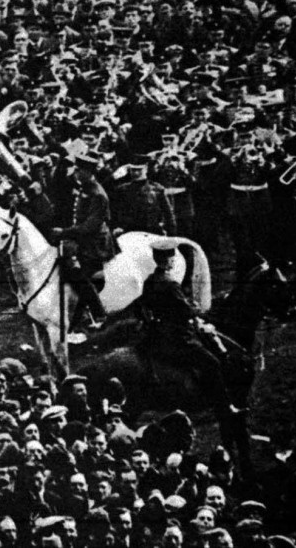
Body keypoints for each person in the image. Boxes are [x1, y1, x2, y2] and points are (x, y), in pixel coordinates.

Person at [137, 238, 236, 419]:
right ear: (167, 261)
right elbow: (185, 311)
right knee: (212, 363)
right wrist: (198, 311)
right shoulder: (171, 284)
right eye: (172, 259)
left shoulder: (150, 281)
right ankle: (224, 406)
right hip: (178, 336)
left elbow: (143, 306)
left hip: (157, 334)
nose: (173, 262)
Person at [51, 154, 115, 332]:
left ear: (88, 172)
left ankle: (98, 312)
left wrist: (64, 232)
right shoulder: (85, 187)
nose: (75, 173)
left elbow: (90, 226)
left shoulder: (97, 194)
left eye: (79, 170)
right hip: (84, 238)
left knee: (78, 274)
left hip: (95, 243)